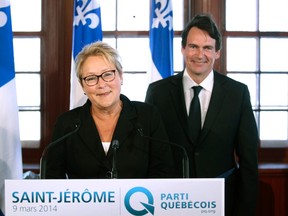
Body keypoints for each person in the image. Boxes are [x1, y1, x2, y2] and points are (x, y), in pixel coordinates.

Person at [145, 14, 259, 216]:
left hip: (224, 202)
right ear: (182, 49)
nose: (200, 54)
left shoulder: (237, 93)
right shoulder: (158, 92)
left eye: (207, 48)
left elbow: (248, 159)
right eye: (193, 46)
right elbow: (149, 152)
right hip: (170, 202)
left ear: (217, 53)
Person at [43, 41, 174, 179]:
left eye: (107, 74)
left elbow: (163, 172)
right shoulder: (67, 124)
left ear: (120, 76)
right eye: (91, 78)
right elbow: (52, 178)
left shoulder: (148, 117)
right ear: (83, 86)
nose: (101, 84)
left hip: (138, 200)